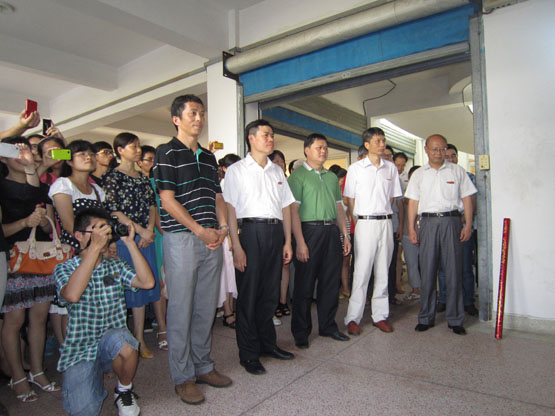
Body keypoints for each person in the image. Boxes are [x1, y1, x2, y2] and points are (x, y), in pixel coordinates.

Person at [152, 94, 231, 405]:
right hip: (182, 239)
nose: (199, 118)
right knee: (181, 309)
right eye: (192, 113)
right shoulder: (166, 152)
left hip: (213, 238)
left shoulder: (209, 157)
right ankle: (183, 376)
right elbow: (167, 200)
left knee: (205, 307)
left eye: (201, 113)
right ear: (177, 119)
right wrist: (200, 230)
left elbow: (217, 196)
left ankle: (203, 366)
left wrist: (222, 229)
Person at [54, 207, 155, 416]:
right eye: (98, 229)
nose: (104, 235)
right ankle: (94, 380)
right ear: (79, 236)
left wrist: (129, 242)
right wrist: (93, 249)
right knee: (83, 411)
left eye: (106, 229)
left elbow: (147, 282)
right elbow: (72, 295)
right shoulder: (64, 268)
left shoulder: (115, 265)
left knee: (127, 343)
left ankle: (124, 390)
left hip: (113, 341)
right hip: (81, 349)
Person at [224, 119, 295, 376]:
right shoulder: (237, 170)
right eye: (266, 135)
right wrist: (236, 246)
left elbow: (286, 207)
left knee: (269, 293)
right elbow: (230, 209)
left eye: (272, 135)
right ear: (251, 138)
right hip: (250, 233)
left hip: (275, 233)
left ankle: (268, 344)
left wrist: (287, 241)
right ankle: (248, 353)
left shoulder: (277, 171)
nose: (270, 139)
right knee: (249, 296)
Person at [0, 136, 59, 403]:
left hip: (41, 257)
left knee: (39, 319)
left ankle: (37, 371)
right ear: (3, 157)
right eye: (15, 151)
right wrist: (25, 222)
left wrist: (43, 223)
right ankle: (18, 377)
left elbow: (48, 223)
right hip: (14, 259)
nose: (22, 155)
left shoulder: (39, 186)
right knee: (14, 321)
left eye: (25, 150)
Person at [406, 134, 477, 335]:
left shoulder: (457, 171)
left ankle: (455, 318)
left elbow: (467, 199)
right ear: (426, 150)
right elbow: (413, 202)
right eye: (434, 149)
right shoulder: (419, 174)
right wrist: (411, 228)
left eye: (442, 149)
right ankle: (425, 317)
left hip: (452, 222)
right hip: (427, 223)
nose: (439, 153)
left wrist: (468, 225)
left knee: (454, 270)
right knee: (428, 270)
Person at [288, 133, 351, 349]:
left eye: (325, 147)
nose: (323, 151)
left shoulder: (332, 177)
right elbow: (293, 211)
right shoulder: (297, 177)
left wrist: (345, 234)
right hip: (308, 231)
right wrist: (300, 242)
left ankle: (328, 326)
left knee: (330, 282)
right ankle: (301, 332)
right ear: (307, 150)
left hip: (331, 231)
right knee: (304, 285)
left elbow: (339, 207)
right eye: (318, 147)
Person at [103, 132, 160, 360]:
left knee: (143, 289)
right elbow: (114, 210)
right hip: (125, 239)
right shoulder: (112, 176)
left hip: (146, 238)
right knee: (125, 288)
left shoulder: (142, 178)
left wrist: (149, 229)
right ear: (120, 150)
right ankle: (120, 340)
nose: (138, 150)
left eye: (138, 146)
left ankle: (140, 338)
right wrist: (139, 230)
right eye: (133, 146)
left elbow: (152, 206)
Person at [343, 127, 401, 335]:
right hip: (365, 223)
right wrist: (358, 221)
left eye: (383, 140)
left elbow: (391, 198)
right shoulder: (356, 169)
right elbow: (349, 199)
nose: (382, 144)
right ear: (367, 145)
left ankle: (380, 315)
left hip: (385, 222)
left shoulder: (390, 168)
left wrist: (381, 213)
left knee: (383, 270)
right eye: (377, 141)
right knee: (361, 271)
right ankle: (353, 318)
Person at [437, 143, 479, 316]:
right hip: (444, 227)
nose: (450, 159)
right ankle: (444, 299)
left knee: (465, 266)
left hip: (462, 227)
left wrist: (462, 221)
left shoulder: (467, 176)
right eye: (447, 156)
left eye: (453, 155)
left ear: (457, 157)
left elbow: (472, 203)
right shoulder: (438, 176)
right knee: (443, 268)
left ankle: (468, 301)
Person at [137, 144, 168, 350]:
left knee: (170, 282)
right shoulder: (145, 184)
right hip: (156, 236)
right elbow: (152, 210)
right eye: (149, 159)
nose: (153, 163)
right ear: (139, 162)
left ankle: (169, 324)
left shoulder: (163, 181)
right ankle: (162, 328)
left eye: (155, 159)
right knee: (159, 282)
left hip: (172, 233)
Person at [217, 154, 241, 329]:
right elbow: (225, 212)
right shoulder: (224, 185)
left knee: (233, 274)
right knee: (227, 275)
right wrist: (231, 236)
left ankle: (231, 309)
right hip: (228, 234)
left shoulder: (237, 183)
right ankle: (228, 312)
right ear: (224, 169)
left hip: (237, 231)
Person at [270, 149, 290, 323]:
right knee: (272, 269)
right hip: (270, 229)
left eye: (281, 161)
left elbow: (288, 208)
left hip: (284, 229)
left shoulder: (285, 182)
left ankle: (283, 301)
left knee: (284, 266)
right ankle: (273, 304)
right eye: (276, 161)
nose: (279, 164)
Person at [402, 166, 422, 301]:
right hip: (407, 232)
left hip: (426, 232)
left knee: (427, 263)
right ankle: (415, 289)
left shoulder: (428, 191)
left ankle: (428, 289)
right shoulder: (405, 194)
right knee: (411, 262)